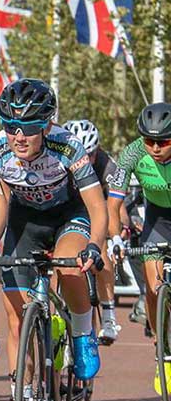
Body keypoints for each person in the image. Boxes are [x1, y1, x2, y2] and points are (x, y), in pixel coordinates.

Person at [0, 79, 106, 401]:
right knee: (16, 322)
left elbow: (97, 207)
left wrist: (95, 245)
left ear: (46, 125)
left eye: (29, 127)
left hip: (69, 216)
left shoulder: (67, 147)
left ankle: (82, 332)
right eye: (11, 126)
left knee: (71, 268)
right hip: (25, 223)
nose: (19, 136)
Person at [109, 103, 171, 365]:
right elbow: (113, 204)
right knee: (154, 288)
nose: (155, 148)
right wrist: (115, 240)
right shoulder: (132, 154)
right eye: (149, 141)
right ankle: (160, 345)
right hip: (158, 219)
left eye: (163, 141)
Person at [63, 118, 122, 344]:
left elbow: (116, 205)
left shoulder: (107, 164)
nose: (85, 161)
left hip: (96, 211)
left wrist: (117, 233)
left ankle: (108, 316)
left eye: (91, 155)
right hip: (67, 212)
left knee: (102, 249)